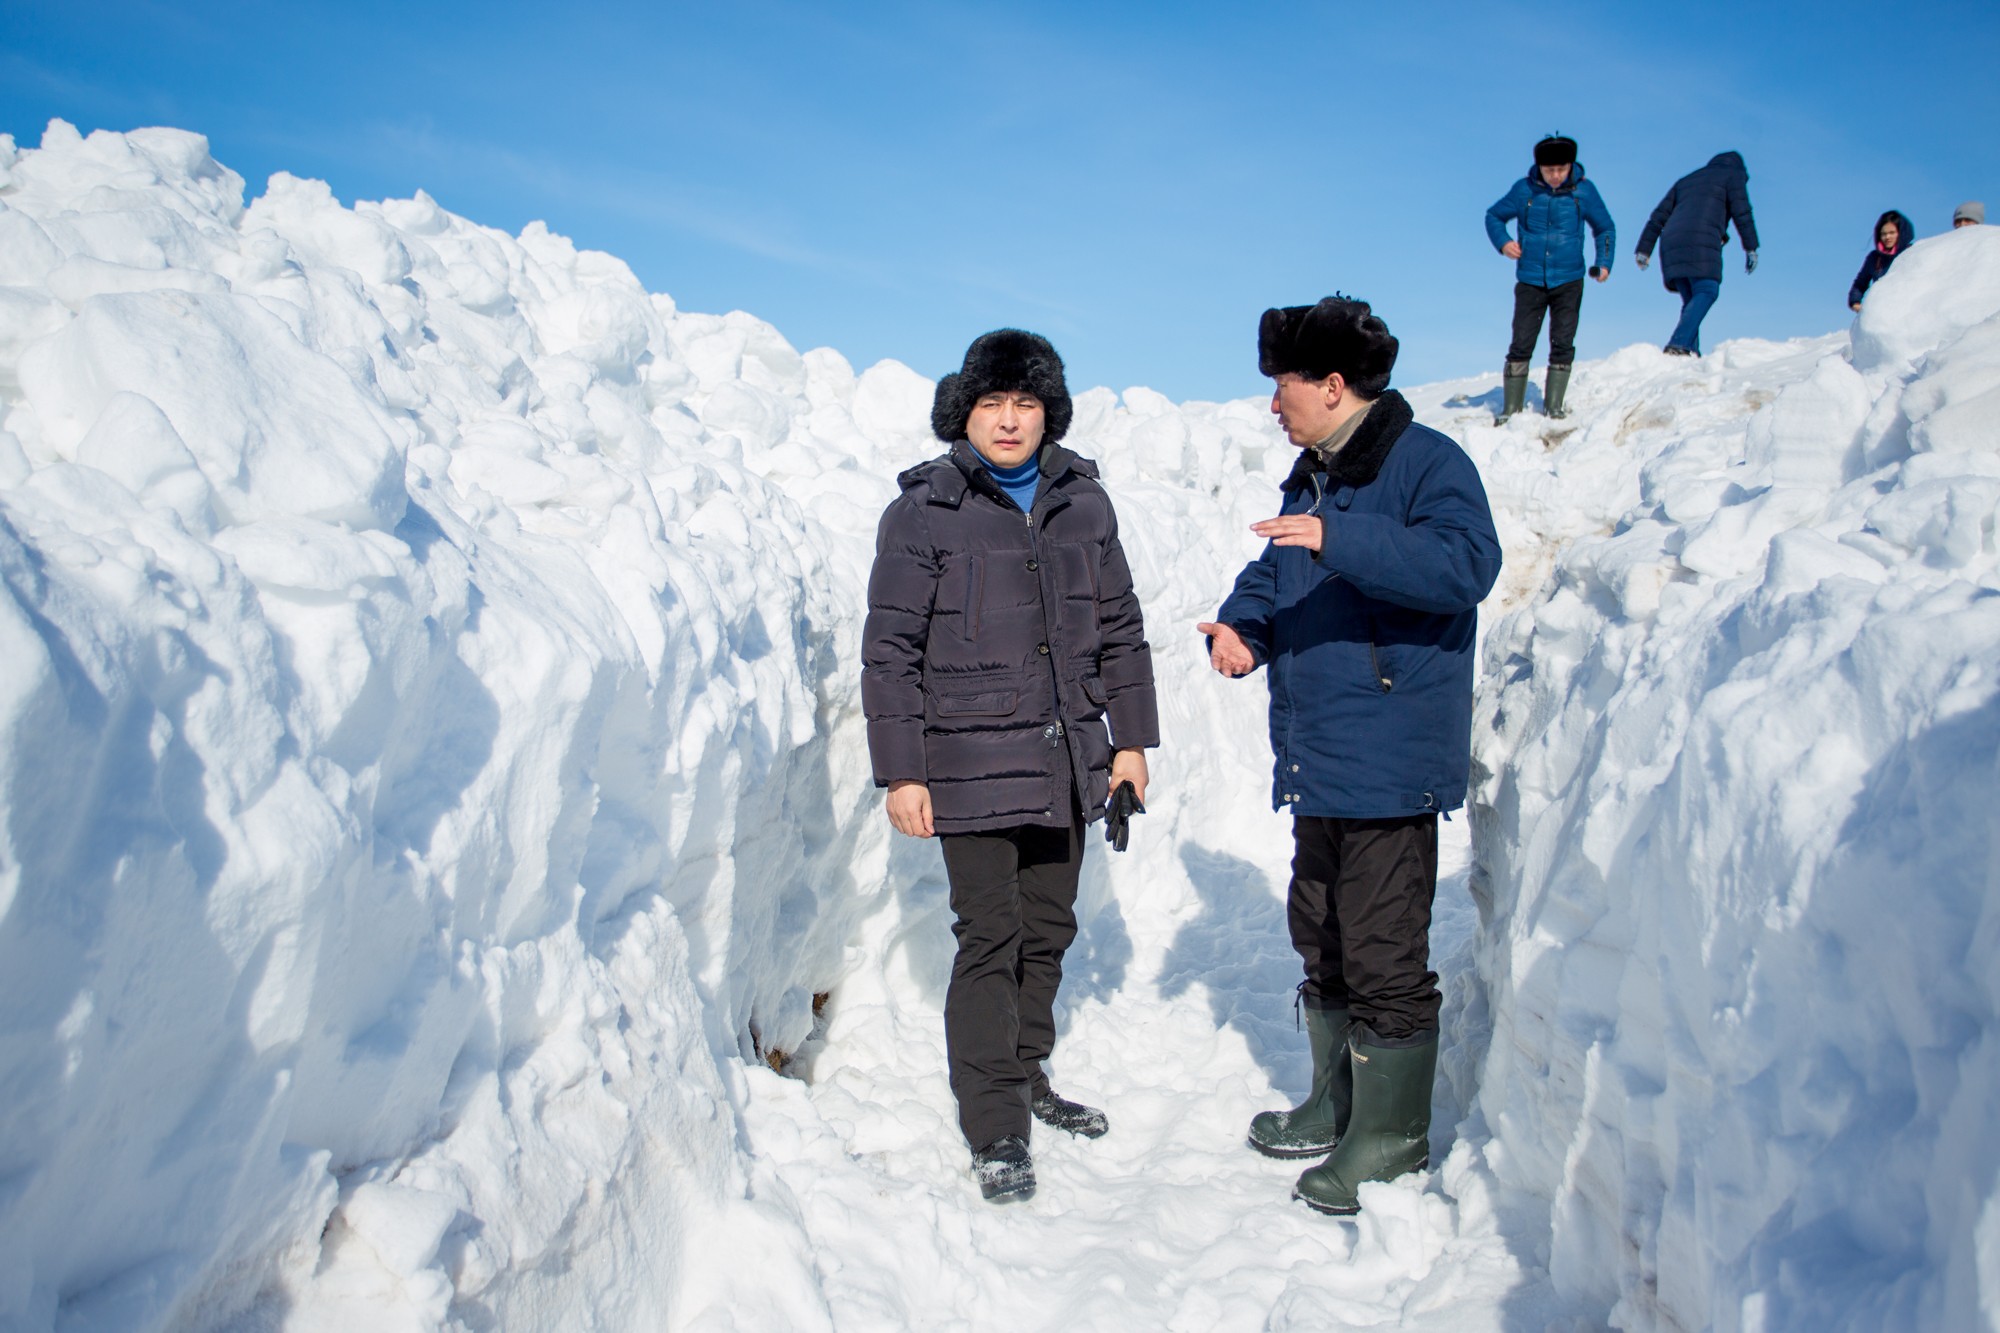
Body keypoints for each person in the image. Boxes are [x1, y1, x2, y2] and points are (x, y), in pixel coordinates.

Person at [1196, 297, 1501, 1216]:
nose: (1272, 404)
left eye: (1282, 386)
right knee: (1320, 931)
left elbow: (1464, 565)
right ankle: (1337, 1100)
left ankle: (1392, 1133)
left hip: (1389, 751)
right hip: (1322, 755)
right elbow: (1276, 570)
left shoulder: (1426, 463)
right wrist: (1245, 624)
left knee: (1382, 950)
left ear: (1333, 385)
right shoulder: (1314, 474)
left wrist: (1340, 536)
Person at [862, 329, 1159, 1204]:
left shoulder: (1085, 505)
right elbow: (890, 652)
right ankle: (994, 1122)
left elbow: (1121, 631)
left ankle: (1026, 1071)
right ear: (966, 411)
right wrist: (903, 771)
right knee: (989, 938)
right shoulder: (925, 510)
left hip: (1067, 760)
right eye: (992, 402)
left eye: (1025, 403)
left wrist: (1132, 742)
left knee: (1049, 928)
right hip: (967, 765)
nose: (1008, 419)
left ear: (1047, 413)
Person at [1484, 133, 1615, 422]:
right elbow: (1494, 216)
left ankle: (1554, 407)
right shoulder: (1524, 190)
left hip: (1569, 279)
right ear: (1539, 168)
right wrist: (1504, 242)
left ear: (1571, 165)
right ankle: (1511, 410)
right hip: (1530, 279)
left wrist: (1604, 262)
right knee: (1521, 342)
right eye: (1549, 170)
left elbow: (1605, 228)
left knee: (1563, 341)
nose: (1555, 176)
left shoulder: (1585, 192)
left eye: (1561, 169)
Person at [1634, 151, 1761, 356]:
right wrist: (1751, 247)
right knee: (1707, 290)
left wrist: (1644, 249)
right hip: (1700, 239)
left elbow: (1658, 217)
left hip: (1671, 242)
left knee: (1691, 298)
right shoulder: (1732, 175)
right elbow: (1742, 211)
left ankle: (1690, 353)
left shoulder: (1686, 180)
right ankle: (1679, 344)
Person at [1849, 210, 1915, 311]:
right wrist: (1855, 302)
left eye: (1892, 233)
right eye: (1883, 234)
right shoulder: (1874, 258)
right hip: (1882, 314)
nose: (1887, 237)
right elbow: (1859, 284)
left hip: (1906, 312)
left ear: (1901, 233)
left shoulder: (1912, 253)